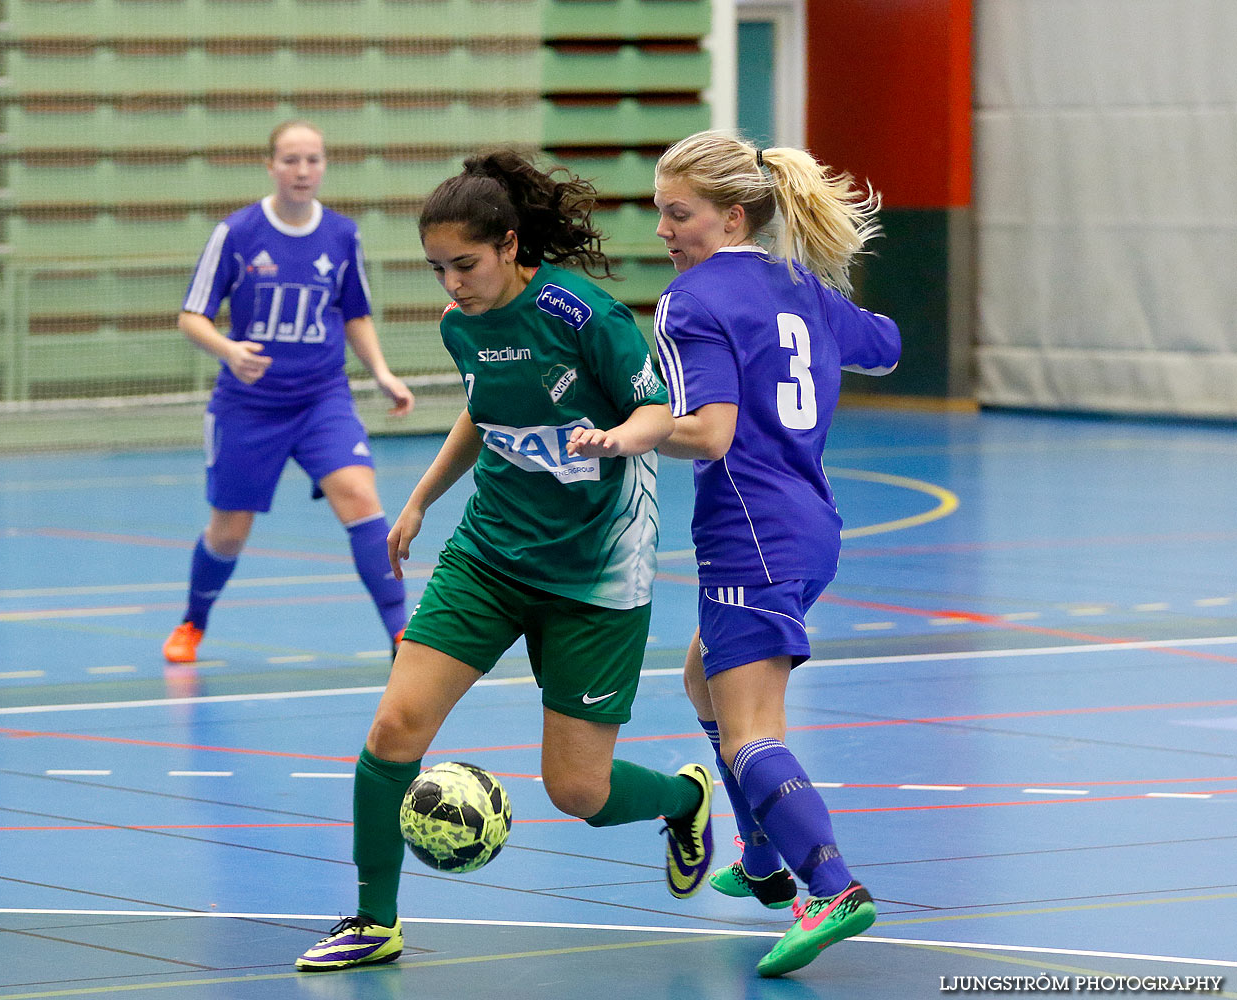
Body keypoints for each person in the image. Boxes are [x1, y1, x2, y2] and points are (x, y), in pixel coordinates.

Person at [295, 150, 714, 972]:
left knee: (578, 792)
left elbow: (657, 406)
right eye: (437, 269)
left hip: (597, 574)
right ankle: (374, 918)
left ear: (510, 245)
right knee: (393, 727)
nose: (452, 284)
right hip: (489, 555)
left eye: (466, 264)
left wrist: (622, 438)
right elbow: (487, 414)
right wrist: (419, 498)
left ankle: (682, 797)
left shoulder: (581, 313)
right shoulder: (463, 327)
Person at [650, 130, 901, 977]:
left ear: (731, 214)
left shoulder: (689, 302)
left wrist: (622, 438)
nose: (663, 231)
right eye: (659, 213)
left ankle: (829, 886)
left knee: (753, 732)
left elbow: (709, 432)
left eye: (677, 214)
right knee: (701, 681)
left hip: (748, 533)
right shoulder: (797, 285)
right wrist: (816, 296)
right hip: (811, 529)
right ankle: (761, 862)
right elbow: (888, 343)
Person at [165, 120, 415, 664]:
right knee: (228, 532)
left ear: (324, 165)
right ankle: (193, 620)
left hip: (321, 398)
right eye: (291, 160)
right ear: (270, 165)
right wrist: (230, 351)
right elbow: (191, 317)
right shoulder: (237, 233)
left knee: (361, 497)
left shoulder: (343, 235)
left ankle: (402, 633)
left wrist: (381, 372)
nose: (303, 171)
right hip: (249, 406)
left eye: (313, 159)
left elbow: (356, 315)